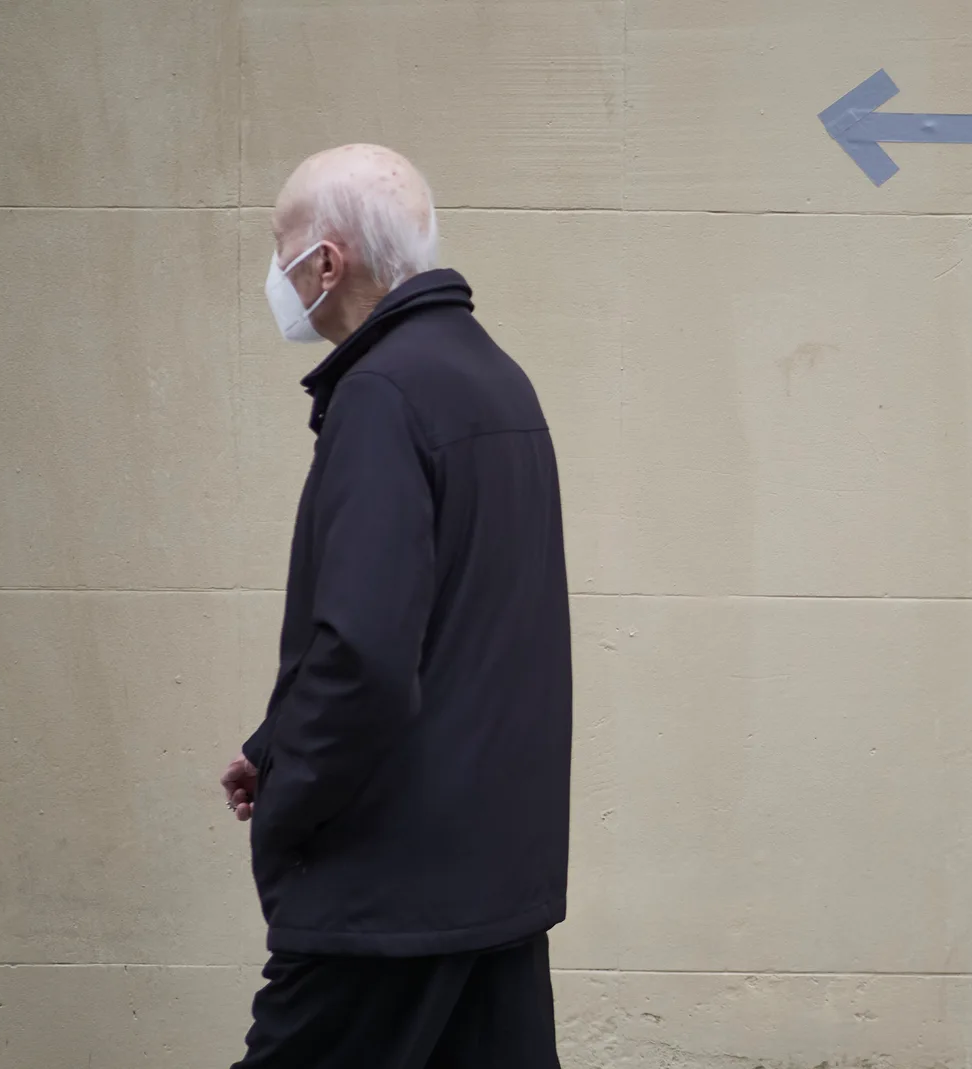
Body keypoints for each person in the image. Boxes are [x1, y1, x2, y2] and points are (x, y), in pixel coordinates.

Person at [218, 143, 572, 1067]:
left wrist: (292, 802)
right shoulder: (494, 378)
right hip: (490, 881)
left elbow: (364, 656)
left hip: (385, 898)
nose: (276, 273)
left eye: (280, 248)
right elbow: (462, 632)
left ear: (325, 262)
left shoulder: (380, 394)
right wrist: (274, 742)